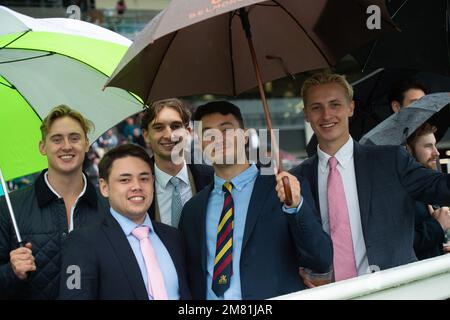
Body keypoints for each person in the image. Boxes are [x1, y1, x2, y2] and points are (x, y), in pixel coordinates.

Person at [292, 72, 450, 285]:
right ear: (306, 114)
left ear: (351, 108)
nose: (326, 115)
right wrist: (301, 270)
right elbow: (293, 242)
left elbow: (440, 187)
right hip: (330, 293)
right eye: (316, 107)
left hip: (394, 290)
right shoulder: (297, 178)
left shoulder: (391, 159)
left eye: (335, 104)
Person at [179, 101, 332, 300]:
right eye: (208, 134)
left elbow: (320, 259)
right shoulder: (193, 209)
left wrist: (296, 207)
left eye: (227, 130)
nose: (219, 139)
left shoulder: (284, 190)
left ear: (244, 136)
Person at [0, 105, 107, 299]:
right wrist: (11, 272)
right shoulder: (8, 208)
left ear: (87, 144)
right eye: (56, 139)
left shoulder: (108, 208)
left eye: (74, 138)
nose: (66, 146)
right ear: (43, 147)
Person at [59, 144, 190, 300]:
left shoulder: (174, 238)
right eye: (125, 180)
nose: (137, 186)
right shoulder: (82, 243)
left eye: (144, 179)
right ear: (104, 187)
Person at [140, 98, 213, 228]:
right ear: (146, 135)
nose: (169, 135)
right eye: (158, 127)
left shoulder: (213, 179)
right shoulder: (136, 186)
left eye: (176, 126)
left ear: (188, 132)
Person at [406, 123, 450, 259]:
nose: (436, 152)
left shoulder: (434, 184)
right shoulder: (401, 192)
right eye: (428, 146)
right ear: (409, 149)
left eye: (435, 145)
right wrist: (437, 226)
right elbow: (405, 243)